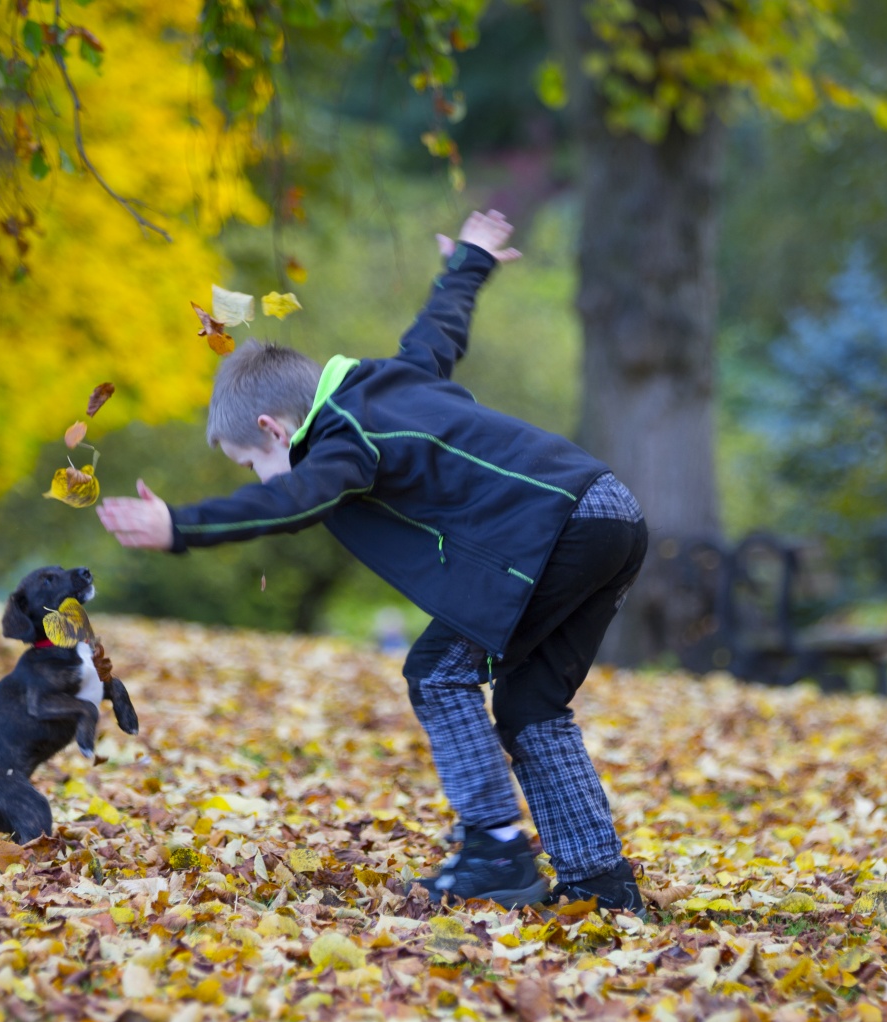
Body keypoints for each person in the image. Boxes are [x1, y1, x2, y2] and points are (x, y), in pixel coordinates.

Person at [97, 210, 648, 911]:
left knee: (436, 673)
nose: (262, 477)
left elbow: (291, 501)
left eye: (251, 463)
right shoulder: (394, 382)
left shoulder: (345, 439)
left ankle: (494, 849)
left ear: (274, 428)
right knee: (530, 701)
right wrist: (469, 262)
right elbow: (437, 332)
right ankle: (599, 882)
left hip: (558, 528)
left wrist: (179, 524)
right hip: (612, 513)